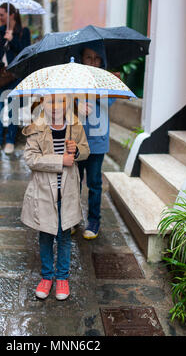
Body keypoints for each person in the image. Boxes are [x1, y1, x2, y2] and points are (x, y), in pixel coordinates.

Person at [21, 94, 90, 300]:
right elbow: (31, 158)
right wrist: (61, 160)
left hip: (67, 192)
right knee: (45, 235)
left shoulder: (75, 126)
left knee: (64, 236)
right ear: (43, 103)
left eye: (60, 101)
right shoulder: (37, 127)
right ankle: (47, 276)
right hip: (44, 191)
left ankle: (62, 278)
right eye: (50, 101)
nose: (55, 106)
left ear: (67, 103)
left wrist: (76, 150)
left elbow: (86, 150)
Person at [76, 44, 115, 240]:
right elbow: (65, 99)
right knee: (74, 181)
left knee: (94, 182)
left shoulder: (105, 79)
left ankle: (94, 220)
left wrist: (92, 92)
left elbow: (109, 101)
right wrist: (77, 103)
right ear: (81, 58)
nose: (92, 62)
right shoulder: (75, 78)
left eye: (96, 58)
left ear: (102, 61)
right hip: (76, 140)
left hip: (98, 141)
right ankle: (72, 217)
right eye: (88, 57)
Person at [0, 3, 31, 155]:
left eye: (1, 15)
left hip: (14, 77)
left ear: (11, 15)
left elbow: (25, 54)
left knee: (13, 111)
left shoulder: (24, 32)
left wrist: (12, 39)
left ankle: (10, 141)